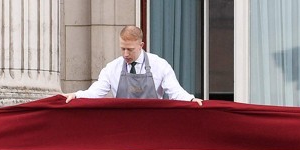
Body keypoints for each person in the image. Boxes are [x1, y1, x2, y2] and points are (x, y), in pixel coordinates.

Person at [63, 26, 203, 104]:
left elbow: (175, 91)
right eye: (122, 48)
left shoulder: (160, 65)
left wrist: (191, 99)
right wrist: (77, 95)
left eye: (130, 49)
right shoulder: (112, 68)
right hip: (122, 126)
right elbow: (95, 92)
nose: (125, 54)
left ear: (141, 45)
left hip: (154, 125)